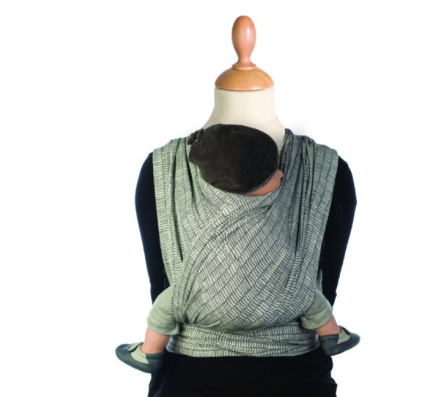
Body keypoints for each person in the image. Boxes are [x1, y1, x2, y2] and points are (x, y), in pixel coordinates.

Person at [116, 124, 359, 374]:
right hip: (285, 312)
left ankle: (149, 351)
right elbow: (327, 279)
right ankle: (332, 335)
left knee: (166, 305)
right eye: (273, 172)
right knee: (310, 297)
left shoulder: (160, 172)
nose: (282, 173)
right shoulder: (327, 170)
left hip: (200, 311)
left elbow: (159, 282)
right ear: (248, 183)